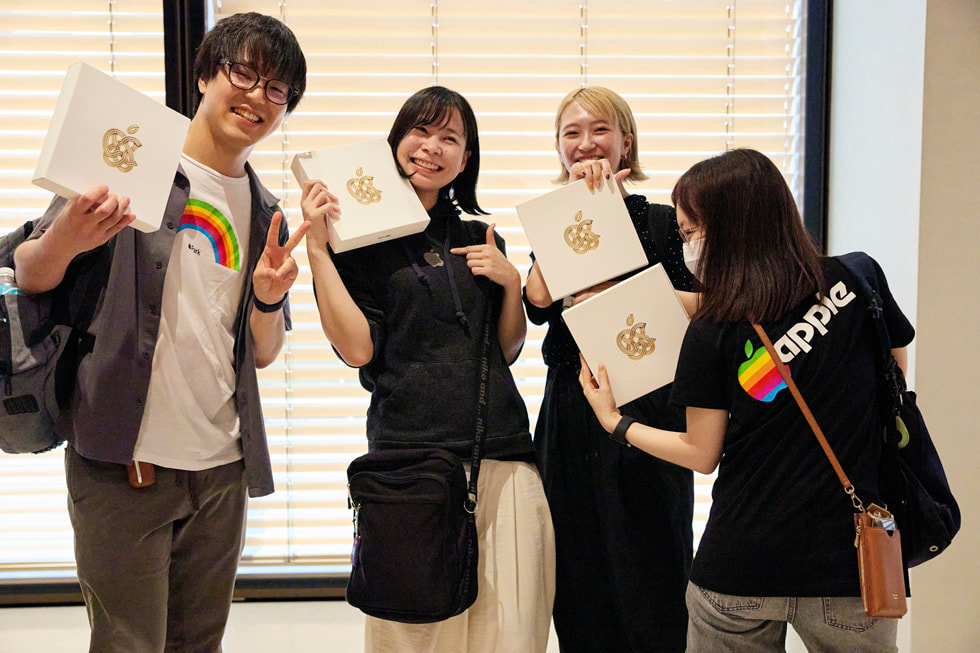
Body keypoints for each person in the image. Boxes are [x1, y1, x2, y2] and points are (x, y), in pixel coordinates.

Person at [13, 13, 308, 651]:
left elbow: (263, 353)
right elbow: (29, 272)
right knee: (127, 644)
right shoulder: (132, 162)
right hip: (123, 462)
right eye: (244, 73)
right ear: (205, 75)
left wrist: (267, 298)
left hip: (221, 469)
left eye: (277, 89)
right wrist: (68, 237)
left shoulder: (267, 213)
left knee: (200, 645)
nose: (257, 96)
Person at [580, 148, 913, 651]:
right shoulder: (857, 278)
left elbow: (701, 453)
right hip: (850, 565)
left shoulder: (714, 330)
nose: (688, 246)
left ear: (731, 228)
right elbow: (893, 378)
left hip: (740, 566)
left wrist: (615, 422)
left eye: (691, 232)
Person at [300, 86, 555, 652]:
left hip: (502, 455)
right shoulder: (355, 243)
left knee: (511, 634)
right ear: (396, 141)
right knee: (414, 637)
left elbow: (507, 349)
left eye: (449, 138)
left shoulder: (479, 236)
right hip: (409, 466)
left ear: (466, 159)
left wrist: (511, 281)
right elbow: (358, 350)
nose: (432, 147)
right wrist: (318, 251)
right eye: (421, 130)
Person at [523, 86, 697, 652]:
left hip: (650, 404)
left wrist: (620, 287)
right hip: (571, 405)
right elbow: (537, 301)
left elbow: (705, 306)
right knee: (577, 566)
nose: (586, 143)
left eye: (600, 129)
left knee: (654, 561)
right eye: (571, 133)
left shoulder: (664, 221)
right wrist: (575, 211)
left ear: (627, 142)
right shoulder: (556, 221)